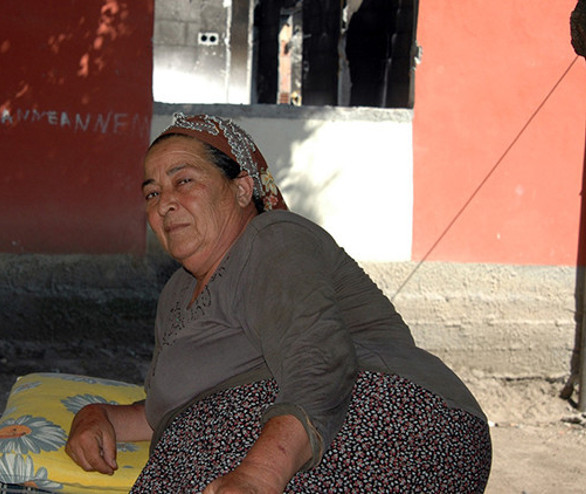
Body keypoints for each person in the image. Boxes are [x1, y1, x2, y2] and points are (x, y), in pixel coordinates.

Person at [66, 113, 492, 493]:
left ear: (241, 189)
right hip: (247, 442)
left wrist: (260, 473)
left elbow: (318, 359)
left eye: (184, 180)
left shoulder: (272, 239)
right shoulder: (175, 294)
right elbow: (166, 411)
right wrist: (98, 415)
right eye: (152, 193)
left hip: (387, 420)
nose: (166, 203)